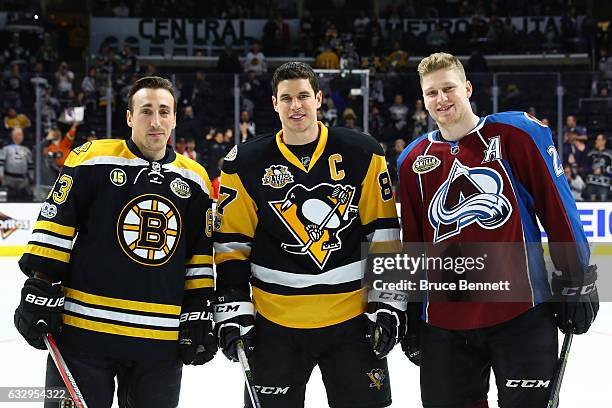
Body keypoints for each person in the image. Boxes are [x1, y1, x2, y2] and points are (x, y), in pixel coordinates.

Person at [397, 52, 599, 408]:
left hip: (520, 315)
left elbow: (559, 210)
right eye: (432, 93)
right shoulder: (412, 160)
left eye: (449, 89)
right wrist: (410, 310)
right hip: (445, 323)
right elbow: (413, 242)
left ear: (468, 88)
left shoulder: (517, 134)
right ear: (423, 99)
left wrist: (578, 277)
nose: (441, 99)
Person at [14, 76, 217, 407]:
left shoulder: (195, 179)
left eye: (164, 111)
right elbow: (57, 223)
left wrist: (198, 310)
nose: (156, 121)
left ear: (175, 118)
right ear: (128, 117)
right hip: (83, 335)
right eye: (146, 111)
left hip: (158, 342)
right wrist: (40, 284)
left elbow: (198, 254)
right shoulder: (92, 159)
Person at [214, 62, 402, 408]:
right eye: (286, 98)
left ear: (318, 99)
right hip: (274, 325)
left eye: (303, 96)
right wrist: (232, 304)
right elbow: (232, 243)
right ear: (274, 103)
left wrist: (388, 303)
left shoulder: (363, 152)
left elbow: (384, 231)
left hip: (352, 322)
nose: (295, 105)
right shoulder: (245, 161)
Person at [0, 127, 33, 200]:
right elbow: (1, 163)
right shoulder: (6, 149)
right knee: (10, 197)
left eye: (21, 134)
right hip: (9, 179)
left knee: (24, 197)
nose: (20, 136)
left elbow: (30, 166)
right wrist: (1, 174)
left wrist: (31, 177)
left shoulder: (26, 150)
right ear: (12, 135)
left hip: (23, 180)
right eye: (18, 134)